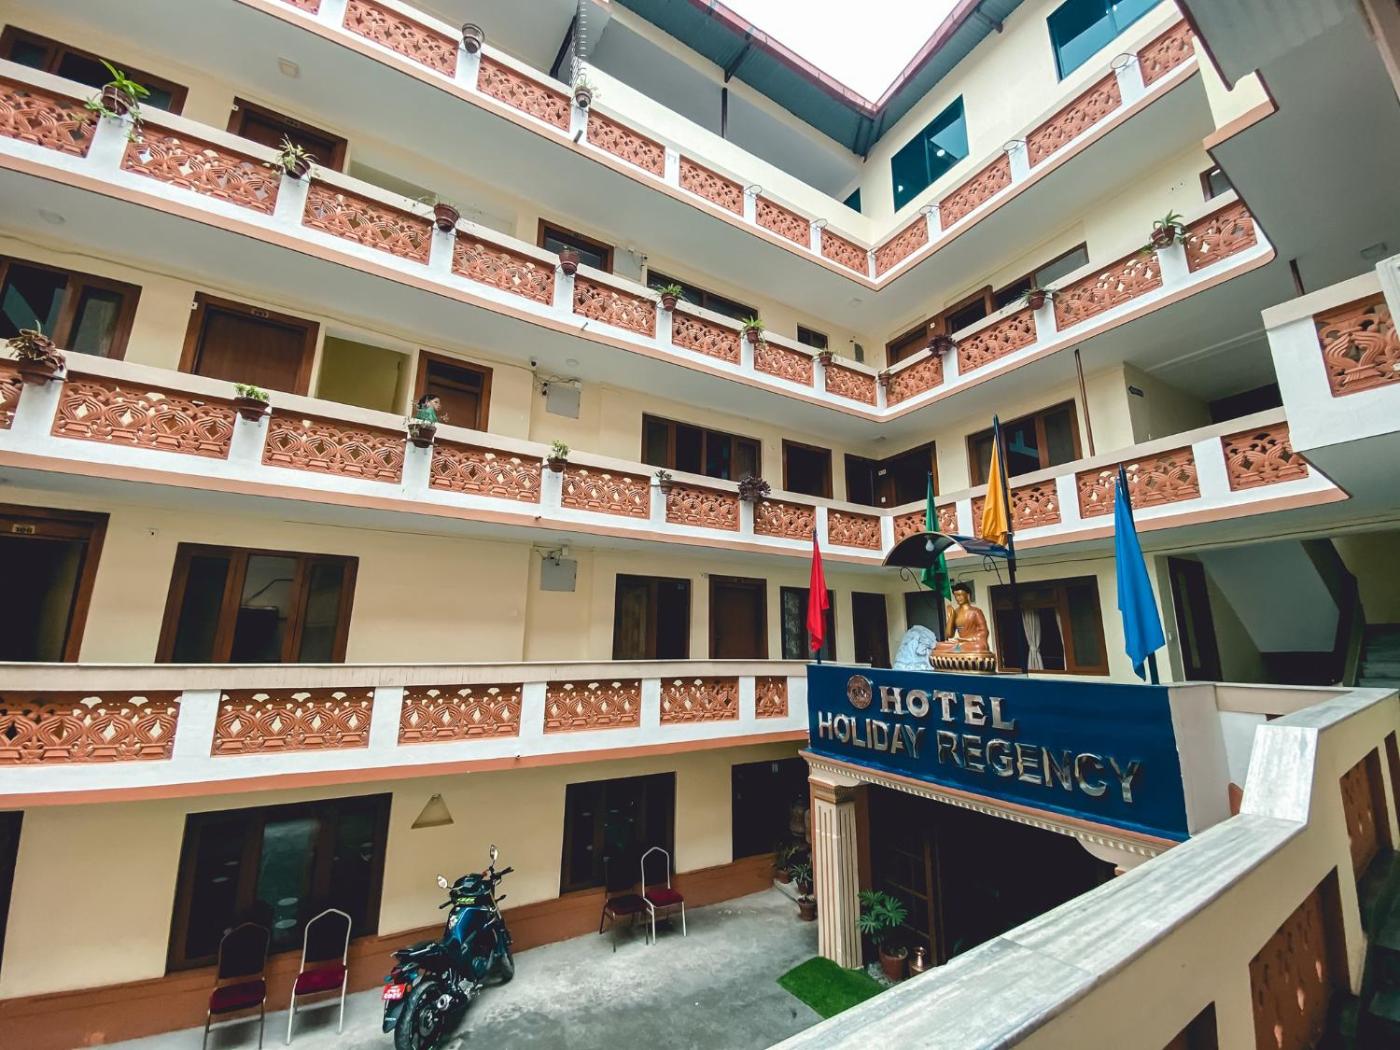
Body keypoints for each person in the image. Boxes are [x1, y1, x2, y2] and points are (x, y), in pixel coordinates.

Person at [932, 582, 991, 655]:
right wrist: (951, 617)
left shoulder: (976, 611)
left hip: (972, 643)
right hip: (961, 644)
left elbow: (984, 632)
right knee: (939, 645)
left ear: (968, 595)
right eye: (955, 596)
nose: (957, 598)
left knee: (979, 647)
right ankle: (958, 650)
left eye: (960, 595)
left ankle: (959, 650)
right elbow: (949, 635)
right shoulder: (955, 612)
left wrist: (967, 639)